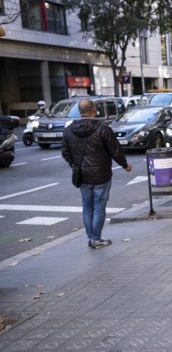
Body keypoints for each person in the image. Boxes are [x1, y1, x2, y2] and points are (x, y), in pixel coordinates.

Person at [61, 99, 132, 249]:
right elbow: (115, 150)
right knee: (99, 206)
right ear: (94, 110)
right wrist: (125, 165)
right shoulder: (103, 128)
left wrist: (74, 166)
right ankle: (96, 239)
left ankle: (91, 238)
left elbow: (65, 153)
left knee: (87, 207)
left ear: (80, 111)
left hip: (82, 175)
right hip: (101, 175)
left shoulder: (68, 130)